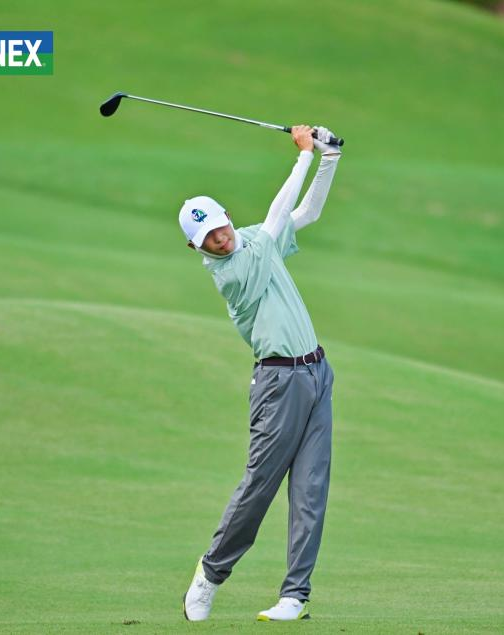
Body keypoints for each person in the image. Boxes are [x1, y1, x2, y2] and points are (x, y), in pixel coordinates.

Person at [177, 124, 341, 622]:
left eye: (219, 226)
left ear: (226, 216)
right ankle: (210, 575)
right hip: (278, 385)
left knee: (310, 491)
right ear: (197, 248)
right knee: (259, 487)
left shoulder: (249, 238)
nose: (220, 238)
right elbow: (275, 220)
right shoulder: (229, 273)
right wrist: (303, 155)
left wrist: (328, 159)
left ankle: (295, 596)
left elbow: (304, 214)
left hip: (317, 373)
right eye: (208, 238)